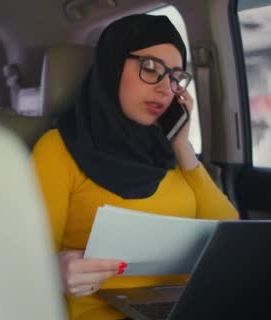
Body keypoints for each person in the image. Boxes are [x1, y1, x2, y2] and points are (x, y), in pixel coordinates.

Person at [32, 14, 239, 320]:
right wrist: (55, 268)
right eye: (151, 69)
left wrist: (182, 145)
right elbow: (24, 260)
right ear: (113, 67)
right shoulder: (57, 149)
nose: (165, 88)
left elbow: (229, 232)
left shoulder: (172, 152)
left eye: (175, 77)